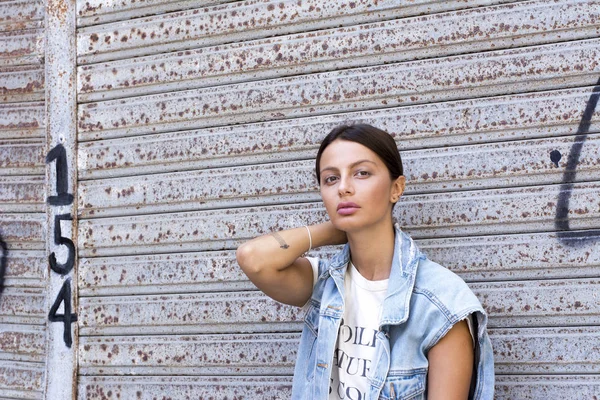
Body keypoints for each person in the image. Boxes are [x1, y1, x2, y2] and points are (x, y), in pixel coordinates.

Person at [236, 124, 494, 399]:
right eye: (331, 179)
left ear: (396, 188)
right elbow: (253, 258)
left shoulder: (441, 302)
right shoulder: (325, 285)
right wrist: (336, 227)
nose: (344, 188)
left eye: (362, 173)